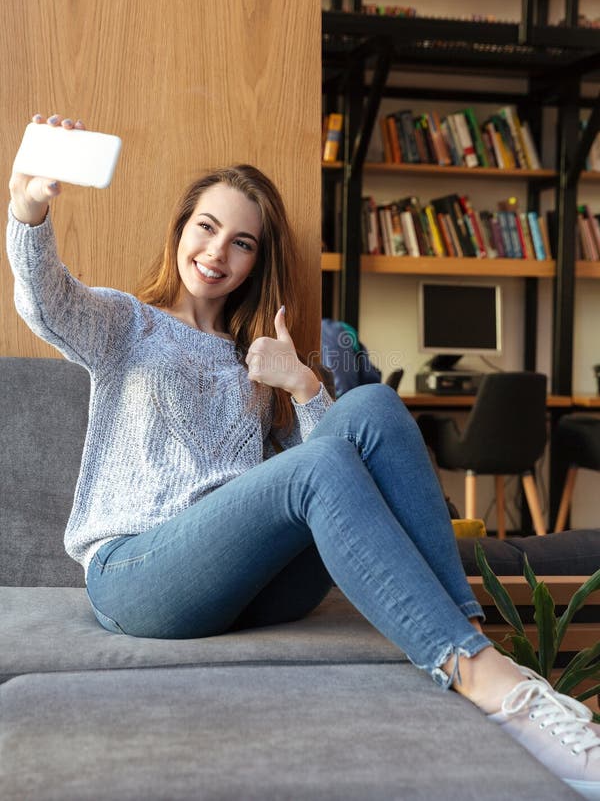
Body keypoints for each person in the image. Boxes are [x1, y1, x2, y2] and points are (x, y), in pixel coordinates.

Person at [7, 113, 600, 798]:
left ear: (257, 261)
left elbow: (342, 463)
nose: (216, 252)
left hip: (242, 588)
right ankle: (494, 685)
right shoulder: (124, 324)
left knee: (371, 406)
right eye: (205, 227)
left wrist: (302, 382)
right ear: (181, 229)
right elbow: (47, 301)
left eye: (241, 242)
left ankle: (469, 637)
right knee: (317, 467)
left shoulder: (258, 359)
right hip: (138, 574)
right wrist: (29, 205)